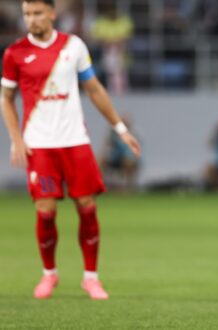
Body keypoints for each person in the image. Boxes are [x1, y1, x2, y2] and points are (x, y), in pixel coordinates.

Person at [0, 0, 141, 300]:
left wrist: (120, 129)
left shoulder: (73, 46)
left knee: (87, 207)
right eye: (26, 14)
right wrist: (16, 138)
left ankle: (91, 278)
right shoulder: (15, 53)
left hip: (75, 141)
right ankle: (49, 274)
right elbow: (6, 99)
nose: (31, 19)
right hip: (39, 145)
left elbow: (94, 89)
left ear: (52, 13)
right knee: (46, 212)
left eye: (37, 13)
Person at [100, 113, 141, 193]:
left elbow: (137, 149)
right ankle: (102, 186)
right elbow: (106, 146)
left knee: (128, 161)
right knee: (100, 161)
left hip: (129, 157)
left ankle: (126, 188)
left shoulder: (134, 133)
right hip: (115, 157)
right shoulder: (113, 134)